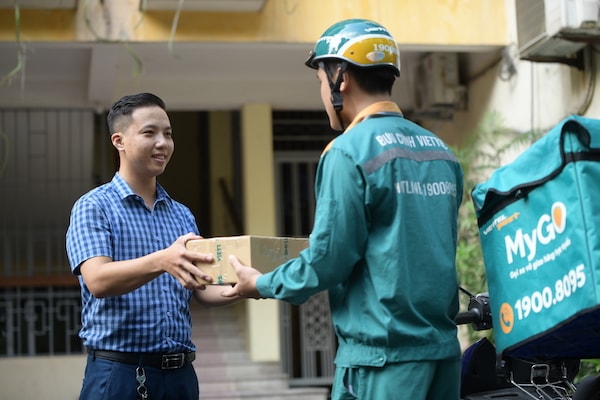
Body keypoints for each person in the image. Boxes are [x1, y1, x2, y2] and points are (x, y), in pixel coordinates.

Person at [222, 19, 464, 400]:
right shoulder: (440, 151)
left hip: (381, 363)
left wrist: (261, 284)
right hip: (443, 356)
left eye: (320, 80)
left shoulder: (348, 152)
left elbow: (329, 258)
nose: (321, 92)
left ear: (341, 78)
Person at [66, 92, 240, 400]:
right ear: (119, 140)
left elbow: (202, 288)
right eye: (150, 133)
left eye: (168, 134)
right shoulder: (93, 206)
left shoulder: (181, 213)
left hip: (181, 377)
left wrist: (246, 287)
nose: (163, 143)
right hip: (118, 376)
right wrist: (162, 260)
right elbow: (98, 280)